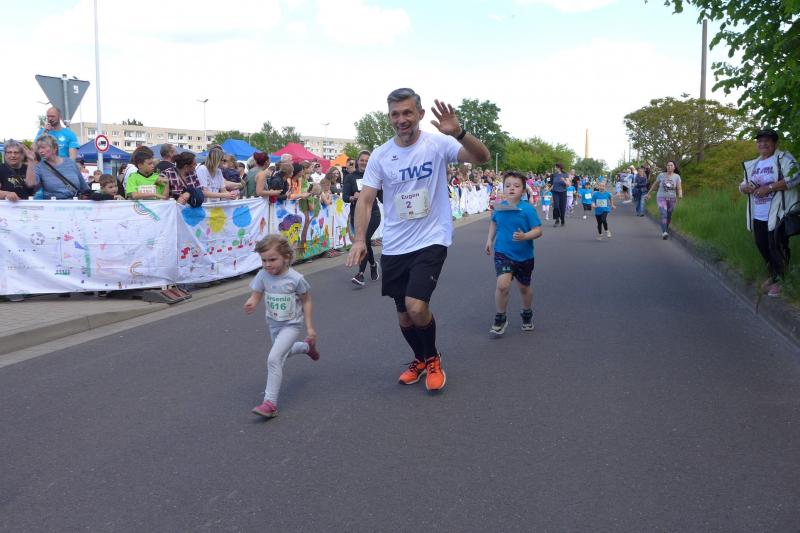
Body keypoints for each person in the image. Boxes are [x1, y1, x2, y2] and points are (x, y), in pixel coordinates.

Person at [346, 87, 490, 391]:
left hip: (432, 238)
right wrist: (359, 239)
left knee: (416, 305)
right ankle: (420, 359)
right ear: (389, 118)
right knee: (404, 315)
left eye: (408, 113)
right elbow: (366, 200)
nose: (402, 119)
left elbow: (481, 157)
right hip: (395, 244)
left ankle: (433, 358)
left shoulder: (437, 144)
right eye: (395, 114)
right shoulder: (381, 155)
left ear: (420, 114)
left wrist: (459, 133)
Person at [244, 235, 319, 418]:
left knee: (274, 359)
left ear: (286, 257)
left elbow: (307, 301)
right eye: (264, 260)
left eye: (272, 259)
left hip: (291, 326)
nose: (267, 264)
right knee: (285, 352)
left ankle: (270, 403)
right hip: (273, 324)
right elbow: (256, 294)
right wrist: (252, 302)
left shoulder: (295, 278)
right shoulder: (262, 275)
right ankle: (306, 347)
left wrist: (309, 327)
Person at [738, 128, 800, 298]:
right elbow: (743, 184)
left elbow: (796, 177)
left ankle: (782, 281)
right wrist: (744, 188)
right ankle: (774, 276)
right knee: (762, 245)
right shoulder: (754, 164)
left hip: (779, 212)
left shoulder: (783, 158)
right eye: (759, 141)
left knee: (777, 246)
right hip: (758, 213)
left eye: (767, 141)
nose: (763, 144)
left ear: (775, 143)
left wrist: (770, 187)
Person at [484, 171, 542, 336]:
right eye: (508, 185)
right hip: (503, 252)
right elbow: (494, 223)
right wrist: (489, 240)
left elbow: (538, 230)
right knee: (502, 286)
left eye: (516, 186)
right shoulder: (499, 206)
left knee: (524, 288)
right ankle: (500, 317)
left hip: (524, 256)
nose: (511, 188)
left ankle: (527, 313)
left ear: (523, 191)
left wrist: (525, 236)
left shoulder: (527, 209)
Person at [343, 150, 381, 286]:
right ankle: (373, 264)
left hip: (373, 214)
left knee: (364, 239)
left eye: (367, 160)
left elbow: (382, 197)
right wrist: (353, 197)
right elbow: (345, 197)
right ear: (357, 161)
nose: (364, 163)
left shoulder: (374, 176)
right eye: (362, 160)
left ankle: (360, 274)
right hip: (358, 215)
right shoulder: (350, 177)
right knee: (366, 241)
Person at [25, 135, 89, 199]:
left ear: (55, 148)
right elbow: (30, 184)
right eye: (39, 148)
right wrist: (30, 161)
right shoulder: (40, 167)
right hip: (53, 204)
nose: (40, 151)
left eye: (43, 147)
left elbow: (84, 187)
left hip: (75, 203)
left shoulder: (71, 163)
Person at [645, 160, 683, 239]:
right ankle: (664, 232)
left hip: (672, 198)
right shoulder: (661, 175)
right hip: (661, 197)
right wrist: (648, 193)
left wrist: (680, 194)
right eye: (668, 165)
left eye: (671, 165)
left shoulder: (677, 177)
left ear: (674, 167)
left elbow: (679, 188)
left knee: (669, 215)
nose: (669, 167)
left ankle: (666, 228)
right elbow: (655, 185)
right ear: (666, 167)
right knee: (663, 213)